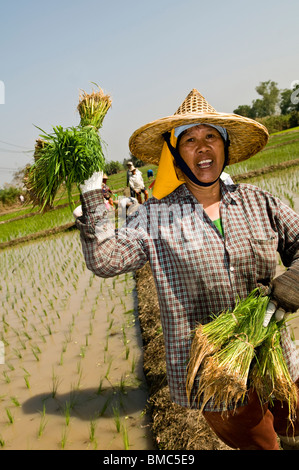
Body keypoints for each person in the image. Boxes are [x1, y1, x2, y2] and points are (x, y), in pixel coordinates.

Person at [74, 89, 299, 450]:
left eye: (211, 136)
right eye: (189, 139)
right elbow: (104, 259)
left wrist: (296, 278)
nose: (202, 146)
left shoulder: (259, 201)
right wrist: (91, 199)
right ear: (177, 157)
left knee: (295, 430)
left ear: (225, 148)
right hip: (217, 375)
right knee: (262, 446)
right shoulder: (154, 216)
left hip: (276, 355)